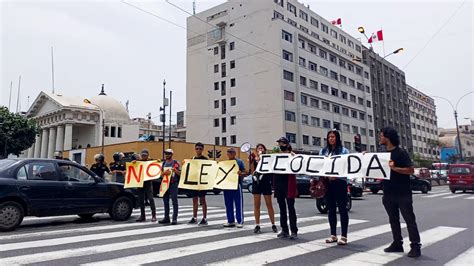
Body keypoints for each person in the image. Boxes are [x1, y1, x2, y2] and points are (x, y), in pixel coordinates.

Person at [379, 127, 421, 258]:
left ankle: (415, 246)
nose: (379, 138)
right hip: (388, 192)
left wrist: (395, 168)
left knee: (409, 220)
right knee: (393, 220)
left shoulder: (401, 153)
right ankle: (397, 243)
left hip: (403, 193)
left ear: (388, 137)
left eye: (381, 135)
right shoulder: (382, 154)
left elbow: (410, 170)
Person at [320, 130, 350, 245]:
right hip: (328, 184)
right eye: (329, 137)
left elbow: (347, 166)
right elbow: (320, 165)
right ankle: (333, 235)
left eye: (333, 137)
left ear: (337, 138)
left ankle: (344, 236)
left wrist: (336, 175)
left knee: (342, 209)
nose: (331, 139)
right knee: (331, 209)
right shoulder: (323, 151)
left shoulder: (344, 151)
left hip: (340, 183)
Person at [274, 137, 298, 240]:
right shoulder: (276, 156)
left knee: (291, 208)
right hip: (279, 183)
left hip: (288, 183)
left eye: (282, 143)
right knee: (282, 208)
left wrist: (293, 157)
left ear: (287, 144)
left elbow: (297, 166)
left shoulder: (292, 156)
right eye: (279, 143)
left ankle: (294, 231)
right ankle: (284, 229)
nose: (281, 145)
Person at [249, 143, 277, 234]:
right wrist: (252, 161)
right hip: (256, 182)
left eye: (261, 148)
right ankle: (257, 225)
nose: (260, 149)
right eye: (258, 148)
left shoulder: (267, 159)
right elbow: (252, 171)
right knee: (257, 205)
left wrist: (261, 158)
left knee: (269, 204)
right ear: (256, 150)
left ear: (264, 150)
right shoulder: (253, 159)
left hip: (265, 182)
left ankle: (273, 224)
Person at [223, 148, 246, 228]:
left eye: (231, 152)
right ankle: (230, 220)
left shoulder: (239, 162)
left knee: (238, 203)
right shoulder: (225, 163)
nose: (229, 153)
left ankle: (240, 221)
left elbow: (245, 172)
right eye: (228, 152)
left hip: (236, 185)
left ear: (234, 153)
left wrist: (241, 173)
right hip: (227, 185)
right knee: (228, 203)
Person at [188, 142, 209, 226]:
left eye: (200, 149)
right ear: (195, 149)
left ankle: (204, 218)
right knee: (194, 200)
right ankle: (195, 217)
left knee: (202, 200)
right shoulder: (192, 159)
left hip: (202, 182)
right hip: (194, 182)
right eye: (197, 148)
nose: (198, 150)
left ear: (202, 149)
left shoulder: (205, 159)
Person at [159, 149, 181, 225]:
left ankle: (174, 218)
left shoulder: (175, 163)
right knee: (165, 201)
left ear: (172, 154)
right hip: (165, 183)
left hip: (173, 183)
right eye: (166, 154)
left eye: (168, 154)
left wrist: (175, 171)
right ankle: (166, 217)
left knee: (174, 201)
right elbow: (160, 174)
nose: (167, 155)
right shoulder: (163, 163)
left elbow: (180, 173)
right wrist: (164, 173)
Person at [135, 149, 157, 223]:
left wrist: (158, 162)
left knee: (151, 198)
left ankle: (154, 215)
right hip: (140, 182)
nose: (143, 156)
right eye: (142, 155)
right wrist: (133, 163)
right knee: (141, 199)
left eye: (145, 155)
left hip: (148, 182)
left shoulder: (150, 162)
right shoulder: (138, 162)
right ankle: (142, 215)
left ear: (147, 155)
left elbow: (156, 166)